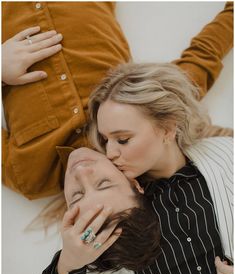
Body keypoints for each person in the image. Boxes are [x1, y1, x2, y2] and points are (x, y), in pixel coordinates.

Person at [32, 62, 233, 274]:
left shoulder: (226, 156)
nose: (110, 152)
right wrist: (70, 259)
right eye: (105, 139)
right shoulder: (119, 200)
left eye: (123, 139)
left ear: (167, 127)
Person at [2, 2, 233, 200]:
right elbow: (206, 51)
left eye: (77, 196)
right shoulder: (152, 104)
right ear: (135, 186)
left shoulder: (30, 175)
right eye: (102, 184)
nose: (82, 173)